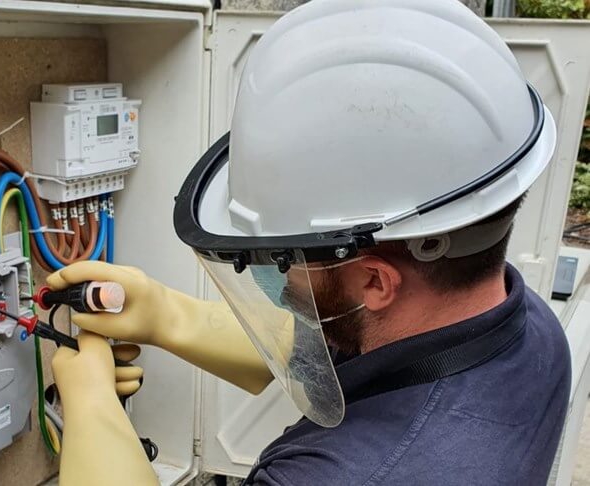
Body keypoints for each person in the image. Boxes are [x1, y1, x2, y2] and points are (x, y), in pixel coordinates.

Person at [48, 0, 570, 484]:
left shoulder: (342, 475)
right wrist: (165, 314)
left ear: (375, 279)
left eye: (284, 257)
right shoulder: (523, 330)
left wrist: (91, 406)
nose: (275, 279)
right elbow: (319, 350)